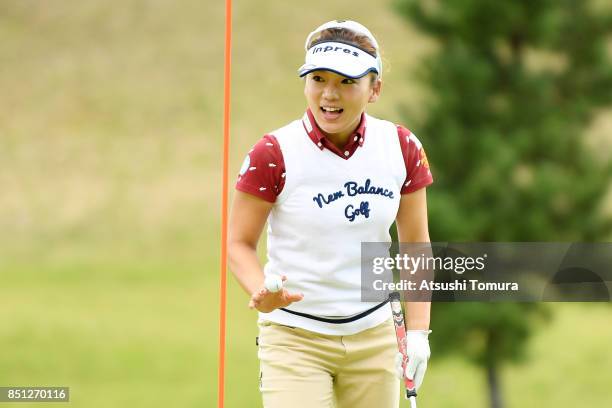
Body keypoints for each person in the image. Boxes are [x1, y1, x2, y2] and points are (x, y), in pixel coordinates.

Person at [228, 20, 433, 408]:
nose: (328, 94)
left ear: (374, 89)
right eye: (318, 79)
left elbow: (415, 243)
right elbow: (238, 243)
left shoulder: (401, 146)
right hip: (295, 338)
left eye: (345, 82)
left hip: (375, 335)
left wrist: (419, 332)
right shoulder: (273, 153)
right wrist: (261, 290)